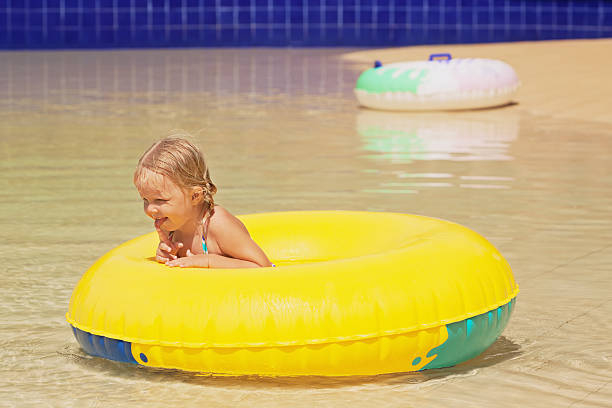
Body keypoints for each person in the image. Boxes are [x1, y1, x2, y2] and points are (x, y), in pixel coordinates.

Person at [133, 135, 273, 268]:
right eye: (145, 200)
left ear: (195, 196)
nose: (150, 209)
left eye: (160, 200)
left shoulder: (218, 224)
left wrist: (208, 261)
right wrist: (166, 255)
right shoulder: (170, 226)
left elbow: (262, 266)